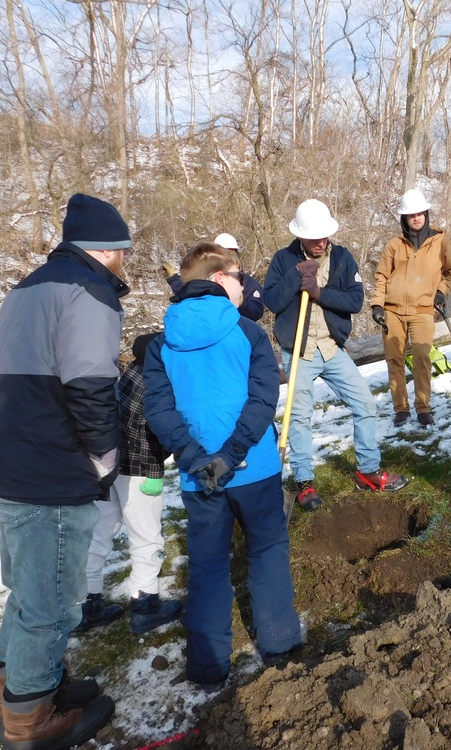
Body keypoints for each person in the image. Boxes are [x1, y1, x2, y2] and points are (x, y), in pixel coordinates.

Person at [0, 194, 127, 749]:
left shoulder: (28, 286)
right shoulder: (90, 291)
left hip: (0, 463)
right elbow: (89, 385)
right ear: (107, 251)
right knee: (52, 604)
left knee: (26, 593)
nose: (124, 263)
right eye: (122, 252)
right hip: (46, 474)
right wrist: (105, 458)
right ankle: (28, 722)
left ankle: (24, 687)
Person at [142, 242, 303, 689]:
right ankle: (280, 642)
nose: (246, 284)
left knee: (209, 566)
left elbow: (159, 410)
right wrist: (231, 455)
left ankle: (208, 667)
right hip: (254, 468)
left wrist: (196, 459)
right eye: (239, 275)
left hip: (199, 479)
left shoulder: (160, 345)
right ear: (218, 280)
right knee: (267, 549)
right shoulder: (248, 334)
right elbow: (263, 398)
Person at [263, 199, 409, 510]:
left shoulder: (343, 258)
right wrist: (296, 277)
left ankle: (368, 470)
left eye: (324, 235)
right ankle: (304, 482)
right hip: (298, 350)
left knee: (365, 404)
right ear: (300, 235)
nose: (321, 242)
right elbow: (272, 302)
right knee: (300, 417)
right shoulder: (283, 259)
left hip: (331, 348)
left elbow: (355, 301)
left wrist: (318, 292)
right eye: (313, 236)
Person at [78, 332, 183, 635]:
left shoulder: (130, 374)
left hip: (106, 466)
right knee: (146, 537)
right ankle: (144, 605)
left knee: (99, 533)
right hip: (140, 471)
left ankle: (88, 602)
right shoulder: (157, 385)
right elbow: (155, 434)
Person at [370, 188, 451, 427]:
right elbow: (381, 276)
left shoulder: (440, 242)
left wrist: (441, 292)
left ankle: (423, 407)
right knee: (394, 359)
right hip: (393, 309)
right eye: (411, 215)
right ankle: (401, 408)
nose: (416, 218)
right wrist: (377, 305)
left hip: (423, 309)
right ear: (404, 218)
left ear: (426, 214)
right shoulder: (393, 245)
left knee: (422, 357)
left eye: (420, 213)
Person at [162, 232, 265, 321]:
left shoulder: (249, 283)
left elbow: (257, 312)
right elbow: (187, 293)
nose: (228, 258)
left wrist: (242, 304)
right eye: (223, 254)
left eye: (231, 254)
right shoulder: (204, 279)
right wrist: (174, 279)